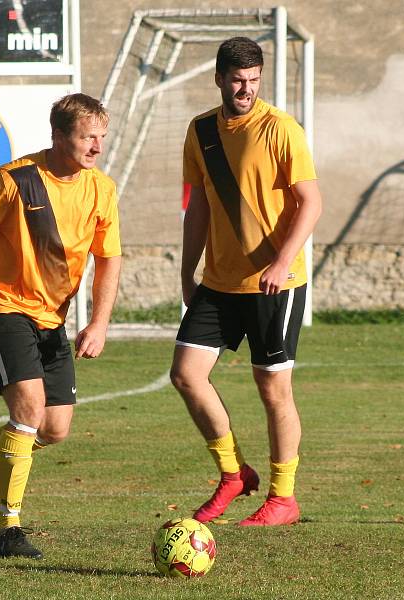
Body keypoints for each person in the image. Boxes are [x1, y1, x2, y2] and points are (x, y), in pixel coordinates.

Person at [0, 93, 121, 559]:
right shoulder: (14, 180)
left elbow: (109, 258)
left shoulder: (101, 189)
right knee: (29, 409)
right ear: (58, 136)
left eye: (100, 136)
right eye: (85, 137)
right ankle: (7, 528)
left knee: (54, 428)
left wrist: (99, 322)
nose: (96, 146)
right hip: (2, 306)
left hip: (51, 318)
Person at [170, 37, 322, 527]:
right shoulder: (199, 132)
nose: (246, 89)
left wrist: (281, 262)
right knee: (186, 374)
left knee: (272, 388)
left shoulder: (281, 129)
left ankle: (283, 498)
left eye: (254, 80)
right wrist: (187, 269)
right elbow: (198, 209)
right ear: (218, 78)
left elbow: (311, 203)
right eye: (237, 80)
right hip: (218, 280)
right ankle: (234, 474)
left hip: (275, 283)